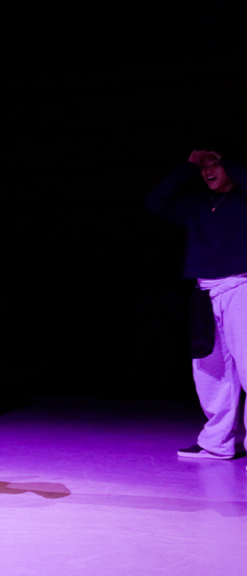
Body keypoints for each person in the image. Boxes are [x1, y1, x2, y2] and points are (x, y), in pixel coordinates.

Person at [146, 149, 247, 462]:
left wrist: (229, 160)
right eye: (204, 166)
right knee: (211, 369)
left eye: (214, 164)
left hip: (241, 286)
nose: (208, 171)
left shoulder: (244, 199)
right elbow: (156, 201)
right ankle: (219, 442)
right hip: (205, 290)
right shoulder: (197, 204)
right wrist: (186, 167)